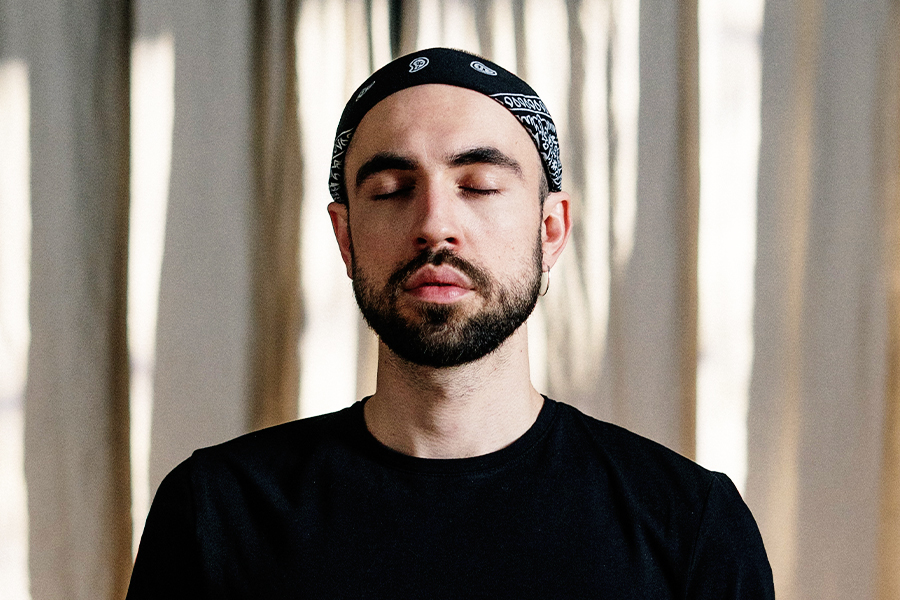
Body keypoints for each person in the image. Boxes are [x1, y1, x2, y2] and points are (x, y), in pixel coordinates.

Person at [126, 47, 774, 599]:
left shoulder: (690, 526)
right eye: (391, 190)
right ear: (345, 237)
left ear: (550, 230)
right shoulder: (216, 513)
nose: (435, 224)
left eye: (480, 185)